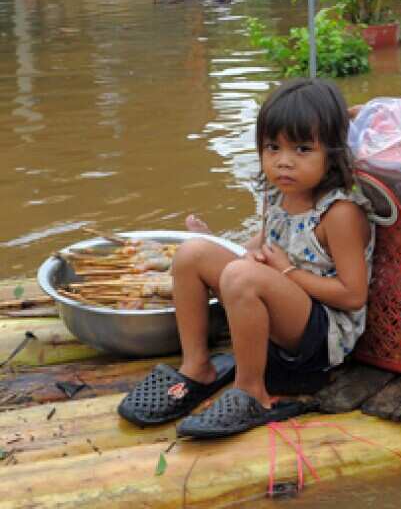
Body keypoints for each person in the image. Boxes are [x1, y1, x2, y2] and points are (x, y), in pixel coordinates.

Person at [117, 79, 376, 438]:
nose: (283, 162)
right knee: (192, 253)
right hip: (281, 310)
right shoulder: (279, 194)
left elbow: (353, 295)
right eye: (273, 147)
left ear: (331, 154)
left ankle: (251, 389)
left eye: (302, 149)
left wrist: (286, 271)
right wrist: (216, 243)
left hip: (319, 342)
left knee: (241, 276)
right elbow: (262, 245)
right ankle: (197, 367)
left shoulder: (340, 213)